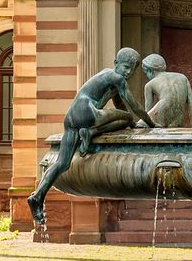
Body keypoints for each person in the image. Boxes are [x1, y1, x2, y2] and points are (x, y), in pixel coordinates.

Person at [26, 47, 156, 227]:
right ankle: (91, 132)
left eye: (131, 69)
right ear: (116, 64)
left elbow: (119, 103)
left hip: (71, 117)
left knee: (62, 164)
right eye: (125, 67)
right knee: (126, 118)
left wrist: (129, 124)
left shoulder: (106, 75)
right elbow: (133, 107)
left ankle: (37, 197)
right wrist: (150, 124)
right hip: (88, 113)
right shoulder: (117, 78)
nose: (127, 72)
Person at [142, 52, 192, 130]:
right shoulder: (182, 77)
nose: (147, 76)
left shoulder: (149, 85)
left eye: (145, 73)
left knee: (141, 122)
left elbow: (147, 115)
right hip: (178, 122)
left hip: (160, 120)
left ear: (150, 71)